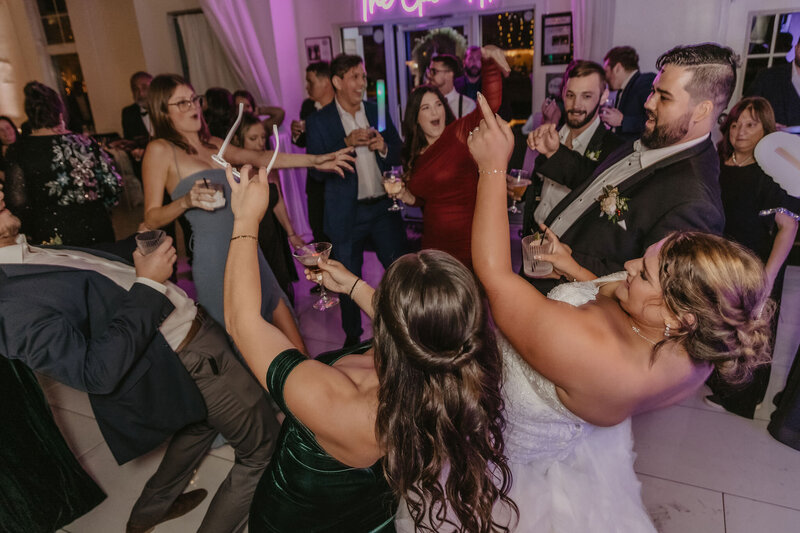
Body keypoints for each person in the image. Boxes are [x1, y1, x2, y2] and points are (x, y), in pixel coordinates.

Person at [466, 93, 773, 531]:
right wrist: (574, 269)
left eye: (644, 274)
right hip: (573, 447)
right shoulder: (705, 343)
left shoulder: (588, 348)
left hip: (510, 446)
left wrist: (492, 167)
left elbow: (495, 277)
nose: (628, 267)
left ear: (680, 316)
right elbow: (618, 297)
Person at [222, 164, 516, 533]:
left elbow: (241, 321)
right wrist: (353, 285)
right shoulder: (457, 368)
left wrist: (246, 221)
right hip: (373, 517)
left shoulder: (341, 402)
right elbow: (409, 328)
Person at [0, 189, 280, 533]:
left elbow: (92, 277)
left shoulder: (19, 255)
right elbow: (95, 372)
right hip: (187, 355)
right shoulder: (7, 300)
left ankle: (149, 511)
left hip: (182, 345)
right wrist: (149, 281)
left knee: (201, 423)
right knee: (263, 453)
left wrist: (145, 242)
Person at [141, 73, 352, 342]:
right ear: (162, 111)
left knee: (290, 334)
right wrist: (184, 201)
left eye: (194, 99)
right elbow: (151, 217)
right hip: (215, 260)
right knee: (245, 344)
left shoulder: (215, 144)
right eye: (181, 103)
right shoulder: (160, 150)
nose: (193, 106)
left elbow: (261, 157)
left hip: (250, 249)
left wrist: (316, 160)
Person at [526, 43, 735, 294]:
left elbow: (652, 293)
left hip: (573, 303)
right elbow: (596, 182)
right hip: (541, 273)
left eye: (664, 97)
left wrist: (572, 267)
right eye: (652, 91)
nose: (648, 103)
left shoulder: (695, 202)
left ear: (702, 110)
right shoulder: (656, 137)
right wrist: (554, 152)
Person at [704, 96, 800, 417]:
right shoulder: (720, 164)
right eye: (736, 124)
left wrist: (768, 277)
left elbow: (787, 228)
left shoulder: (770, 172)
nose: (741, 131)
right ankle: (719, 382)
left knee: (748, 334)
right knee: (721, 327)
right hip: (722, 261)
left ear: (767, 130)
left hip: (755, 264)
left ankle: (742, 398)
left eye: (751, 124)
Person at [305, 54, 406, 347]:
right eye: (355, 77)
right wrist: (345, 145)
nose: (362, 83)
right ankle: (354, 338)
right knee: (347, 276)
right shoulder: (319, 122)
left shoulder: (377, 110)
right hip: (345, 213)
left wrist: (384, 146)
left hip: (383, 209)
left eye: (363, 77)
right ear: (337, 81)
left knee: (400, 268)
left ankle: (405, 324)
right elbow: (317, 173)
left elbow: (399, 152)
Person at [394, 45, 509, 269]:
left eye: (438, 105)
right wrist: (410, 198)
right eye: (426, 108)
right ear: (415, 118)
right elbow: (428, 196)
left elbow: (491, 104)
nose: (435, 112)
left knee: (470, 300)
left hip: (468, 242)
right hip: (433, 244)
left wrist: (489, 64)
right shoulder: (412, 153)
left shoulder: (457, 133)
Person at [4, 81, 122, 246]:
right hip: (97, 227)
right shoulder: (86, 143)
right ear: (60, 112)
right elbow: (113, 188)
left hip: (52, 233)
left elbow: (17, 203)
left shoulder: (19, 151)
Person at [523, 60, 623, 234]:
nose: (576, 105)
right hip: (533, 243)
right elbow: (542, 193)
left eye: (586, 96)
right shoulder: (553, 134)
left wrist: (555, 153)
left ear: (603, 95)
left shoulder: (614, 148)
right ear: (562, 93)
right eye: (570, 95)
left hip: (569, 254)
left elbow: (599, 192)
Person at [231, 111, 304, 303]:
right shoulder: (232, 173)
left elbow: (277, 200)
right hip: (250, 238)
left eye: (263, 137)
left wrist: (291, 233)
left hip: (272, 236)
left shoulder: (267, 166)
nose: (260, 143)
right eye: (253, 138)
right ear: (238, 141)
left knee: (281, 288)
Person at [292, 61, 335, 246]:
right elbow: (302, 143)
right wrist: (296, 135)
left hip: (337, 179)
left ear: (326, 82)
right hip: (315, 182)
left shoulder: (341, 106)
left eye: (310, 82)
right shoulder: (307, 106)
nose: (307, 87)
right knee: (319, 231)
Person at [600, 46, 657, 141]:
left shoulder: (644, 81)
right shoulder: (624, 89)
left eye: (606, 71)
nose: (605, 78)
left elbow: (656, 121)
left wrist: (622, 121)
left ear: (617, 68)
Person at [745, 38, 800, 127]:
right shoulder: (767, 76)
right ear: (796, 47)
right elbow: (746, 110)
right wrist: (766, 125)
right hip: (769, 138)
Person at [427, 54, 476, 119]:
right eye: (429, 71)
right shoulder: (426, 102)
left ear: (449, 74)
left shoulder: (467, 105)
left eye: (434, 71)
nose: (429, 76)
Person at [121, 71, 153, 153]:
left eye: (144, 88)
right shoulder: (128, 113)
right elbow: (129, 143)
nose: (140, 93)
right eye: (135, 89)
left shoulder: (166, 108)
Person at [0, 115, 18, 181]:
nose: (6, 133)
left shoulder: (27, 146)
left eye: (8, 128)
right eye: (1, 130)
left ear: (13, 128)